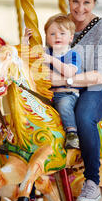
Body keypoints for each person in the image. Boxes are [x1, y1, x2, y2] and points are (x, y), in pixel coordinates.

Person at [49, 0, 102, 201]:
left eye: (86, 3)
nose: (80, 8)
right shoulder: (62, 25)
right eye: (75, 2)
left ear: (94, 3)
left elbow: (99, 76)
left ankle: (92, 181)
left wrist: (65, 80)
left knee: (83, 115)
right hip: (68, 86)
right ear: (68, 0)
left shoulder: (101, 29)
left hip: (100, 87)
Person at [23, 13, 82, 149]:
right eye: (53, 34)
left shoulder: (72, 54)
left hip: (66, 93)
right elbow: (27, 59)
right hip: (47, 94)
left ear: (70, 37)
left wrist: (51, 60)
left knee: (64, 106)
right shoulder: (46, 52)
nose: (57, 37)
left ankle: (72, 134)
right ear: (47, 37)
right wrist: (25, 40)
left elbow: (68, 72)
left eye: (62, 33)